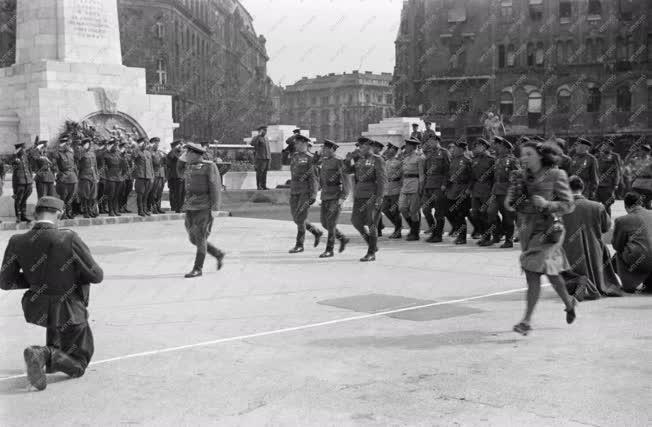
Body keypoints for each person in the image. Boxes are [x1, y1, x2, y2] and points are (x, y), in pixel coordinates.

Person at [0, 196, 104, 391]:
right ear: (58, 213)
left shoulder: (17, 240)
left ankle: (45, 358)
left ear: (35, 214)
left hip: (38, 306)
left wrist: (36, 280)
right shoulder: (68, 237)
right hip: (70, 307)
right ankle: (43, 354)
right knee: (80, 362)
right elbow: (96, 275)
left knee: (57, 348)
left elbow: (5, 282)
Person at [507, 141, 577, 335]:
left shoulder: (556, 174)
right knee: (552, 274)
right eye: (522, 154)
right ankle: (569, 302)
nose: (524, 158)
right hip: (527, 230)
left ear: (540, 155)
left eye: (529, 154)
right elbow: (510, 205)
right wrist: (514, 196)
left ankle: (526, 321)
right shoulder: (520, 177)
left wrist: (548, 204)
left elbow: (569, 205)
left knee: (532, 272)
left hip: (549, 230)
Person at [562, 176, 623, 300]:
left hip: (569, 255)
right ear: (582, 189)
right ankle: (593, 283)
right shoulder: (597, 206)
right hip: (595, 252)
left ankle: (579, 282)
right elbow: (606, 227)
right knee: (603, 249)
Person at [180, 142, 225, 278]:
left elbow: (215, 187)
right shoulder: (189, 166)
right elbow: (178, 170)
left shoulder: (209, 166)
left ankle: (197, 268)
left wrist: (215, 208)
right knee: (192, 238)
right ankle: (217, 253)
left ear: (195, 154)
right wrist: (182, 158)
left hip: (204, 207)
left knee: (200, 237)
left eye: (188, 153)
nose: (186, 155)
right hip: (190, 206)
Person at [346, 137, 386, 262]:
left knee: (372, 223)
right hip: (359, 195)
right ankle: (371, 243)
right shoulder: (359, 160)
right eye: (359, 147)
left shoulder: (377, 159)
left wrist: (380, 197)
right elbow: (347, 171)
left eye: (362, 147)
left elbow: (382, 180)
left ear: (370, 147)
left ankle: (371, 253)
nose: (360, 149)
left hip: (372, 195)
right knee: (355, 221)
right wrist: (348, 160)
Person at [288, 135, 323, 253]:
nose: (295, 145)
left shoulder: (310, 158)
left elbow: (314, 178)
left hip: (305, 192)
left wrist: (313, 195)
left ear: (304, 144)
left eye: (298, 143)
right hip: (294, 191)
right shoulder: (294, 156)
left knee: (301, 218)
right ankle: (316, 232)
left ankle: (299, 244)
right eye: (295, 143)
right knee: (296, 218)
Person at [612, 192, 652, 293]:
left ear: (626, 206)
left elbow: (617, 245)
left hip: (640, 259)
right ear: (641, 204)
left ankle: (629, 284)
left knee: (619, 254)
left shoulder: (622, 220)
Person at [318, 139, 351, 258]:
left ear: (332, 149)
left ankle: (329, 249)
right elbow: (322, 178)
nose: (324, 151)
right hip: (325, 195)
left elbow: (346, 180)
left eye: (326, 149)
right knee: (324, 223)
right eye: (323, 148)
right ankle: (343, 238)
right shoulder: (324, 161)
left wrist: (343, 197)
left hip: (335, 196)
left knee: (331, 224)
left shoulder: (339, 161)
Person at [485, 136, 519, 248]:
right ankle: (496, 235)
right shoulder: (497, 159)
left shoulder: (513, 160)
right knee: (490, 213)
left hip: (507, 191)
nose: (497, 148)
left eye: (499, 146)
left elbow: (518, 175)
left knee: (508, 217)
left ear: (506, 148)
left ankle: (509, 240)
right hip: (496, 190)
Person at [421, 135, 450, 243]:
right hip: (428, 185)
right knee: (425, 209)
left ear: (437, 141)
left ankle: (438, 235)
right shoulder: (429, 154)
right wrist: (424, 186)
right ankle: (434, 231)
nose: (430, 143)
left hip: (439, 185)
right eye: (429, 141)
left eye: (432, 141)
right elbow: (425, 171)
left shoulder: (444, 152)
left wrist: (444, 184)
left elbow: (448, 170)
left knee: (439, 212)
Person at [446, 140, 472, 245]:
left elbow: (472, 177)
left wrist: (468, 189)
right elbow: (449, 175)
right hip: (452, 189)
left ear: (461, 149)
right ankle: (457, 231)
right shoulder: (453, 160)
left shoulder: (467, 160)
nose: (453, 150)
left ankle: (462, 237)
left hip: (462, 189)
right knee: (451, 212)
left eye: (455, 148)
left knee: (460, 214)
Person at [470, 138, 495, 243]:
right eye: (476, 145)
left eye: (478, 145)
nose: (476, 147)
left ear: (484, 147)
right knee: (475, 213)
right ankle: (482, 233)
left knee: (485, 214)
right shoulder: (475, 159)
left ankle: (487, 237)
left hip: (487, 189)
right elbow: (472, 176)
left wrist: (493, 191)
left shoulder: (491, 160)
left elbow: (495, 177)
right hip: (476, 190)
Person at [399, 137, 425, 241]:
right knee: (402, 208)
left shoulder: (420, 157)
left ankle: (414, 233)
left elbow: (422, 175)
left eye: (408, 145)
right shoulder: (405, 158)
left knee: (414, 210)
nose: (406, 147)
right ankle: (414, 228)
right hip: (405, 185)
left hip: (415, 185)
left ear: (412, 146)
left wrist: (421, 188)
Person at [54, 135, 78, 219]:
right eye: (65, 143)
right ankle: (62, 214)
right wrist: (58, 175)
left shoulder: (71, 153)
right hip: (63, 178)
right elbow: (55, 165)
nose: (67, 145)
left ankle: (69, 212)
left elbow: (74, 165)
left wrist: (76, 175)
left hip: (72, 177)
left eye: (68, 143)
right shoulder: (58, 153)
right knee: (63, 197)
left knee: (71, 197)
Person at [382, 142, 403, 238]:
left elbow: (401, 175)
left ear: (394, 152)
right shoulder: (385, 162)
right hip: (386, 189)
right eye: (388, 150)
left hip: (396, 189)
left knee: (395, 211)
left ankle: (397, 231)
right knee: (385, 209)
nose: (388, 152)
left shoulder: (399, 162)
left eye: (390, 150)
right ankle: (398, 226)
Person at [595, 139, 622, 216]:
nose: (604, 146)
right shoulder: (597, 155)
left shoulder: (614, 156)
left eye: (607, 145)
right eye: (604, 145)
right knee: (594, 205)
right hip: (597, 183)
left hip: (608, 184)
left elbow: (618, 170)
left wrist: (616, 183)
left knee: (607, 205)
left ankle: (607, 223)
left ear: (611, 148)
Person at [77, 138, 99, 218]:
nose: (89, 145)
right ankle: (85, 211)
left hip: (92, 176)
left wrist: (96, 175)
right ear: (84, 145)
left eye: (89, 144)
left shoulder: (92, 153)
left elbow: (95, 165)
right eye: (87, 144)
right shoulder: (81, 153)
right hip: (84, 175)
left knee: (92, 195)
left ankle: (90, 210)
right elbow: (77, 164)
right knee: (85, 195)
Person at [12, 143, 33, 223]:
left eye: (24, 149)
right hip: (19, 182)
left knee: (24, 199)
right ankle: (18, 216)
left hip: (27, 181)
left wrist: (30, 179)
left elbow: (29, 168)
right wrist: (15, 154)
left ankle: (23, 215)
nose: (24, 150)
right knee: (18, 199)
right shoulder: (16, 158)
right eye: (23, 149)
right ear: (19, 149)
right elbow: (13, 163)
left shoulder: (25, 157)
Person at [133, 137, 154, 216]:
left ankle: (145, 210)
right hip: (140, 176)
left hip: (148, 176)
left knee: (146, 194)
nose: (146, 144)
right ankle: (140, 210)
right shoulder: (137, 152)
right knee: (140, 194)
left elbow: (151, 165)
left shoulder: (148, 153)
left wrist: (152, 176)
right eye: (144, 143)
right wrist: (137, 147)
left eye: (146, 143)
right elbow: (133, 157)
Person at [102, 139, 122, 217]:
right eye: (114, 145)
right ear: (110, 146)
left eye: (116, 145)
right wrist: (105, 177)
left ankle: (115, 210)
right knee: (111, 195)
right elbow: (103, 167)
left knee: (116, 195)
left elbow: (121, 165)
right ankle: (111, 211)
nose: (116, 147)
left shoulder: (118, 153)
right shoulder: (105, 154)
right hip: (110, 177)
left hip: (118, 177)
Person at [148, 137, 166, 214]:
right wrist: (162, 158)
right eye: (156, 143)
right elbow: (155, 163)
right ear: (152, 144)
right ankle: (153, 207)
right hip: (155, 174)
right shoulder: (150, 152)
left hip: (161, 175)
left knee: (159, 192)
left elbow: (165, 163)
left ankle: (158, 207)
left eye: (158, 143)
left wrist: (165, 157)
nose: (157, 145)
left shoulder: (159, 152)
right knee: (153, 192)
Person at [250, 125, 271, 190]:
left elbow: (268, 149)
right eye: (264, 130)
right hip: (260, 158)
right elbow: (252, 143)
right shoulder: (257, 137)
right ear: (260, 131)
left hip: (266, 158)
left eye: (266, 130)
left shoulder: (266, 138)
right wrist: (259, 135)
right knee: (260, 172)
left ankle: (263, 185)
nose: (265, 131)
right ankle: (258, 186)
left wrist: (269, 158)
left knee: (265, 172)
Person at [166, 140, 185, 213]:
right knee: (177, 193)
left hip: (183, 176)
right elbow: (169, 160)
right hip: (175, 176)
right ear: (174, 146)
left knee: (183, 192)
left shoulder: (182, 153)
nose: (180, 146)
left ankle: (182, 206)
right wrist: (174, 149)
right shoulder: (172, 153)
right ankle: (176, 207)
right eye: (179, 145)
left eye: (181, 144)